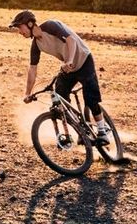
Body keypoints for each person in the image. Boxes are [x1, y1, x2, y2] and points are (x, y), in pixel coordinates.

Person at [9, 10, 111, 144]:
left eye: (19, 27)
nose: (19, 31)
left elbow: (71, 40)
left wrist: (69, 60)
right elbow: (32, 69)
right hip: (69, 68)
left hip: (83, 60)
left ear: (29, 24)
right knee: (60, 96)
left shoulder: (51, 26)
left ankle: (103, 131)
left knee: (91, 97)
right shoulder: (36, 45)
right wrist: (27, 93)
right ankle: (81, 129)